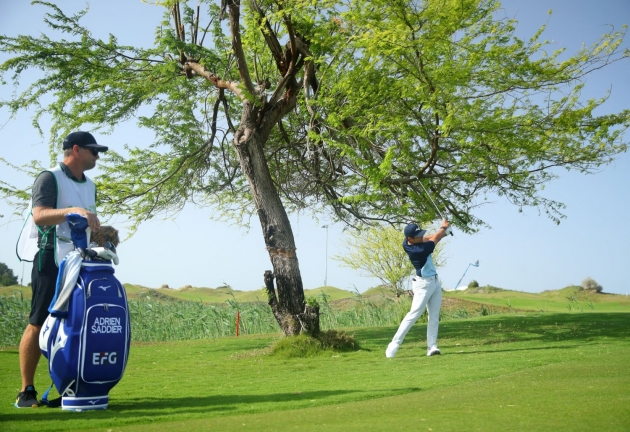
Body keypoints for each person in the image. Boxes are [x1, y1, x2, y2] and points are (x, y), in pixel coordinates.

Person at [14, 131, 107, 408]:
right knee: (38, 322)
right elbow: (40, 216)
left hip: (80, 263)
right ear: (76, 150)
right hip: (50, 260)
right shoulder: (49, 177)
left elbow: (85, 225)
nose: (98, 156)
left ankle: (72, 384)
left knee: (76, 324)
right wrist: (74, 210)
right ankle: (26, 391)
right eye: (94, 151)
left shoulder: (90, 185)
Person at [386, 220, 451, 358]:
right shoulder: (419, 251)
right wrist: (443, 228)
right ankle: (394, 344)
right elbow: (435, 238)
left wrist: (444, 233)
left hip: (434, 282)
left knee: (434, 316)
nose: (421, 237)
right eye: (418, 236)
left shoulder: (408, 242)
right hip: (423, 286)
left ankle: (432, 346)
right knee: (413, 314)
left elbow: (427, 238)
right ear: (410, 238)